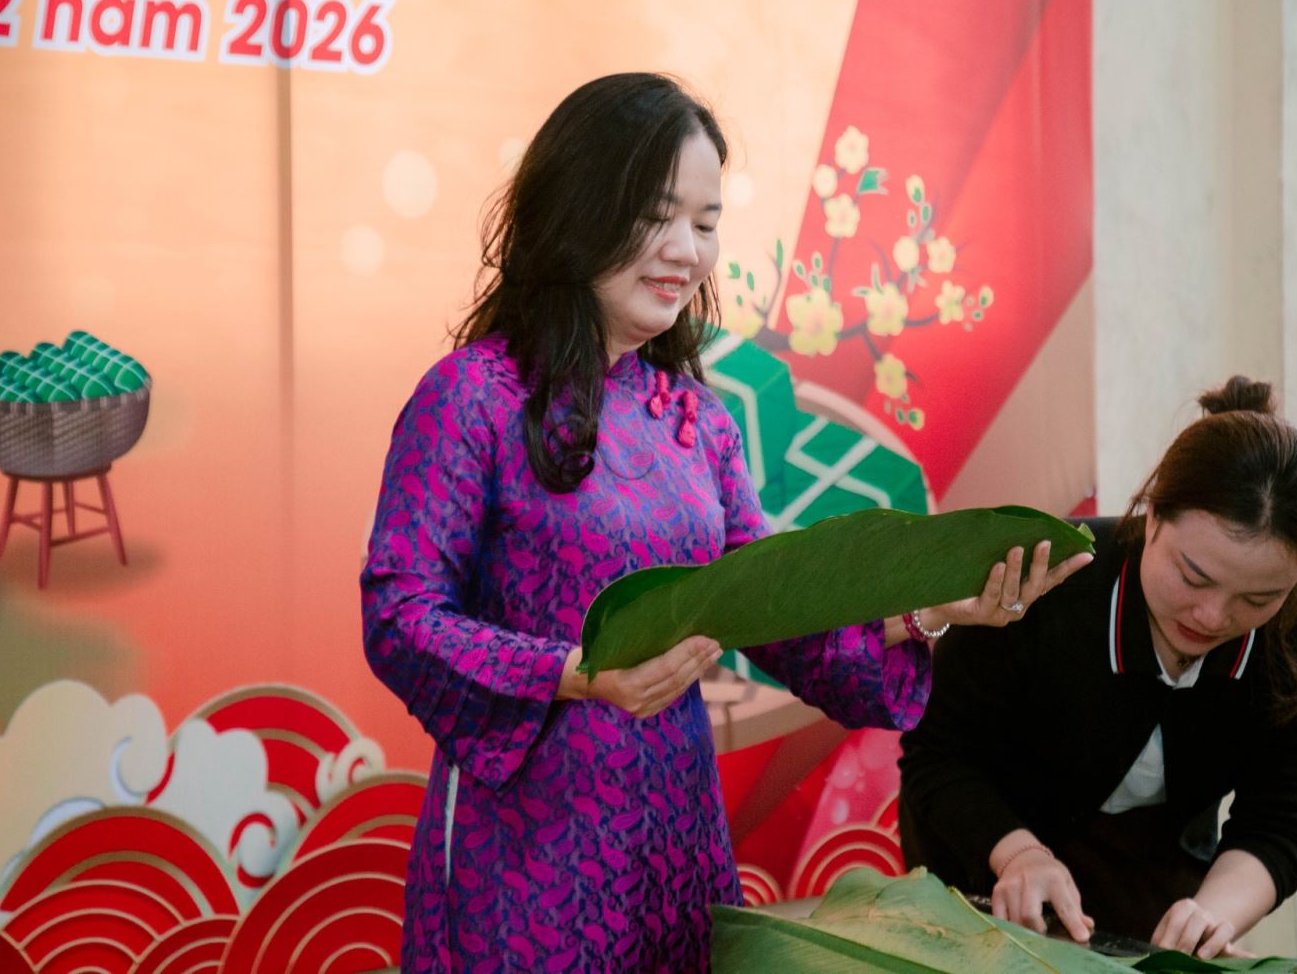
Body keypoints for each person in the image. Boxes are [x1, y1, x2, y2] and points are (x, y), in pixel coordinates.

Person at [359, 72, 1088, 972]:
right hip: (524, 846)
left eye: (705, 223)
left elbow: (771, 608)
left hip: (673, 836)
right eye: (655, 216)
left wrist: (926, 610)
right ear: (575, 210)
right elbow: (400, 614)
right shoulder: (473, 396)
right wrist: (576, 676)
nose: (685, 250)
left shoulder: (696, 418)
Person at [898, 376, 1297, 960]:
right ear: (1154, 515)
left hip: (1149, 880)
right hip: (983, 856)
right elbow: (938, 756)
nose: (1212, 616)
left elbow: (1278, 821)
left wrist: (1211, 916)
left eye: (1258, 598)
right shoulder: (1045, 582)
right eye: (1192, 577)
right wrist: (1019, 855)